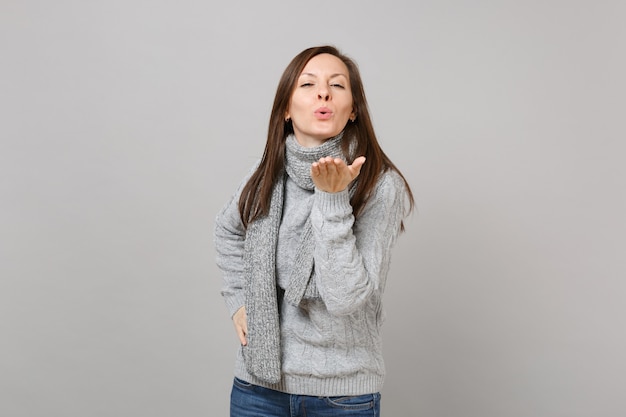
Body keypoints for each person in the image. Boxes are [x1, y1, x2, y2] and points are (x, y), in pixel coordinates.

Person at [214, 45, 414, 416]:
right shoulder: (264, 179)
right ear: (286, 110)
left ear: (353, 110)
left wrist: (333, 200)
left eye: (337, 86)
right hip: (258, 387)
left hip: (342, 396)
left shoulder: (380, 185)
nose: (323, 93)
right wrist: (238, 301)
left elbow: (345, 298)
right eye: (308, 84)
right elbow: (227, 232)